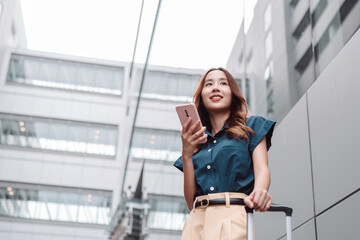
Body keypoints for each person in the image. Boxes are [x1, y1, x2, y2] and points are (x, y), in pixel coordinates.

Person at [173, 67, 276, 240]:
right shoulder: (196, 141)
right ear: (201, 96)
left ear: (232, 93)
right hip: (196, 221)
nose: (215, 87)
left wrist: (260, 191)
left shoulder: (252, 126)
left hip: (232, 215)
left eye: (223, 83)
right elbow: (191, 202)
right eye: (209, 84)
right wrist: (186, 155)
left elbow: (262, 169)